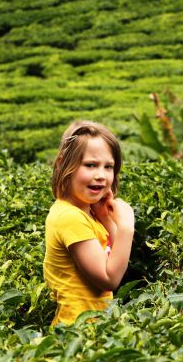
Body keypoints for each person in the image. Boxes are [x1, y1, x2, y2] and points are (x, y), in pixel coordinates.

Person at [44, 120, 135, 326]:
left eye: (108, 167)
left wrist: (105, 219)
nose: (101, 175)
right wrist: (127, 228)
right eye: (90, 165)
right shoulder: (70, 218)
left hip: (94, 325)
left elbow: (114, 261)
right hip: (77, 330)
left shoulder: (85, 213)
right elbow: (109, 279)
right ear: (62, 164)